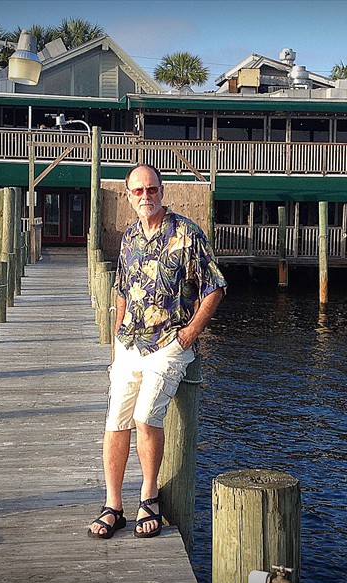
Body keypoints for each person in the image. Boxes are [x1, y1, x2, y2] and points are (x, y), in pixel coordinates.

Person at [88, 164, 226, 540]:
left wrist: (190, 333)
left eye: (152, 189)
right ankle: (113, 505)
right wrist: (117, 329)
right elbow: (121, 287)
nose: (145, 196)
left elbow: (214, 287)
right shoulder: (130, 236)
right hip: (129, 342)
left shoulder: (187, 233)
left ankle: (149, 496)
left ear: (162, 191)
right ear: (129, 196)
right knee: (115, 421)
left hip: (168, 344)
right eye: (138, 191)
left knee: (146, 416)